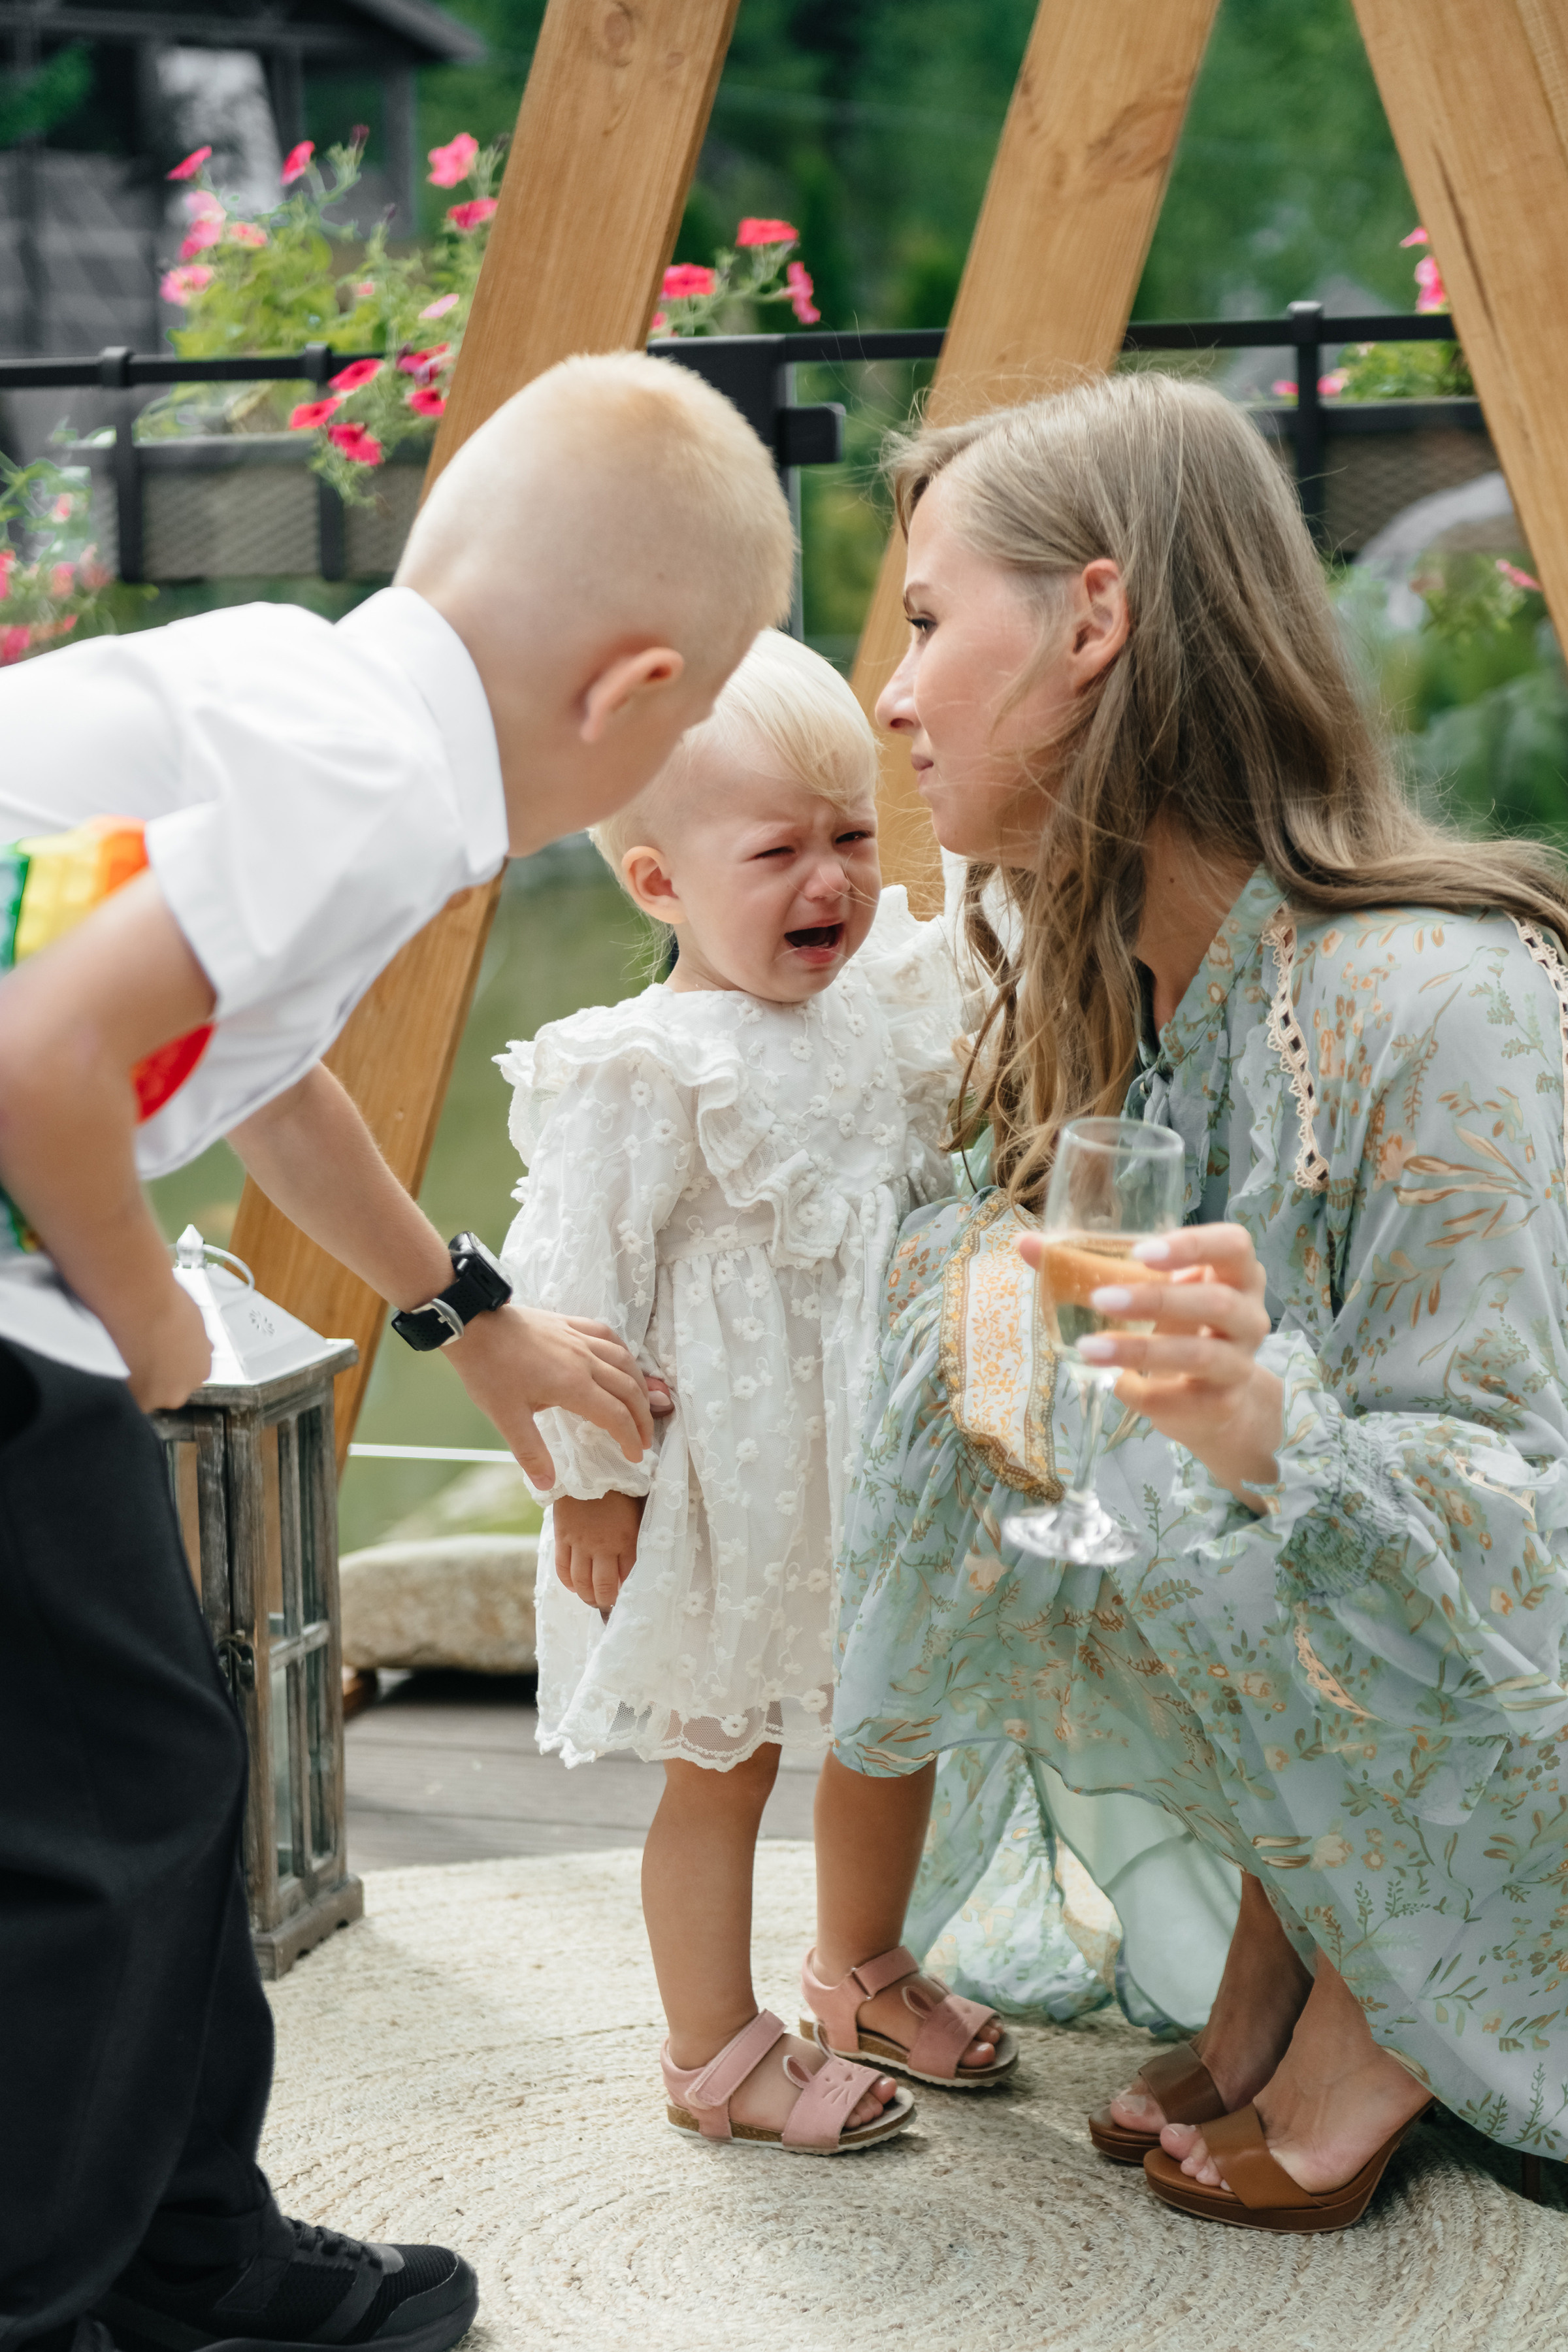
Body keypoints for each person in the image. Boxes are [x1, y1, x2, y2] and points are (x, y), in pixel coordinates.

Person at [0, 351, 793, 2350]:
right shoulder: (366, 780)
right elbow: (37, 1062)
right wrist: (156, 1320)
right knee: (96, 1837)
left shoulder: (319, 696)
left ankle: (198, 2266)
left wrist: (480, 1313)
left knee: (148, 1780)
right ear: (631, 698)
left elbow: (262, 1072)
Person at [817, 368, 1568, 2231]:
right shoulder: (1146, 995)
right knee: (1044, 1387)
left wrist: (1264, 1430)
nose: (893, 698)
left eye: (926, 623)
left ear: (1096, 616)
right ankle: (1288, 1941)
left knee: (1179, 1435)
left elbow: (1533, 1531)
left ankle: (1405, 2000)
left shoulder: (1429, 997)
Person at [497, 628, 1010, 2155]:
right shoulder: (644, 1069)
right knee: (724, 1760)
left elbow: (964, 1087)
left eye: (853, 836)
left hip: (873, 1460)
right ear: (659, 883)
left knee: (888, 1715)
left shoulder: (883, 1011)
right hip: (719, 1487)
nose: (834, 882)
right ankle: (710, 2045)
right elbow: (569, 1294)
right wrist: (592, 1482)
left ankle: (857, 1965)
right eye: (778, 851)